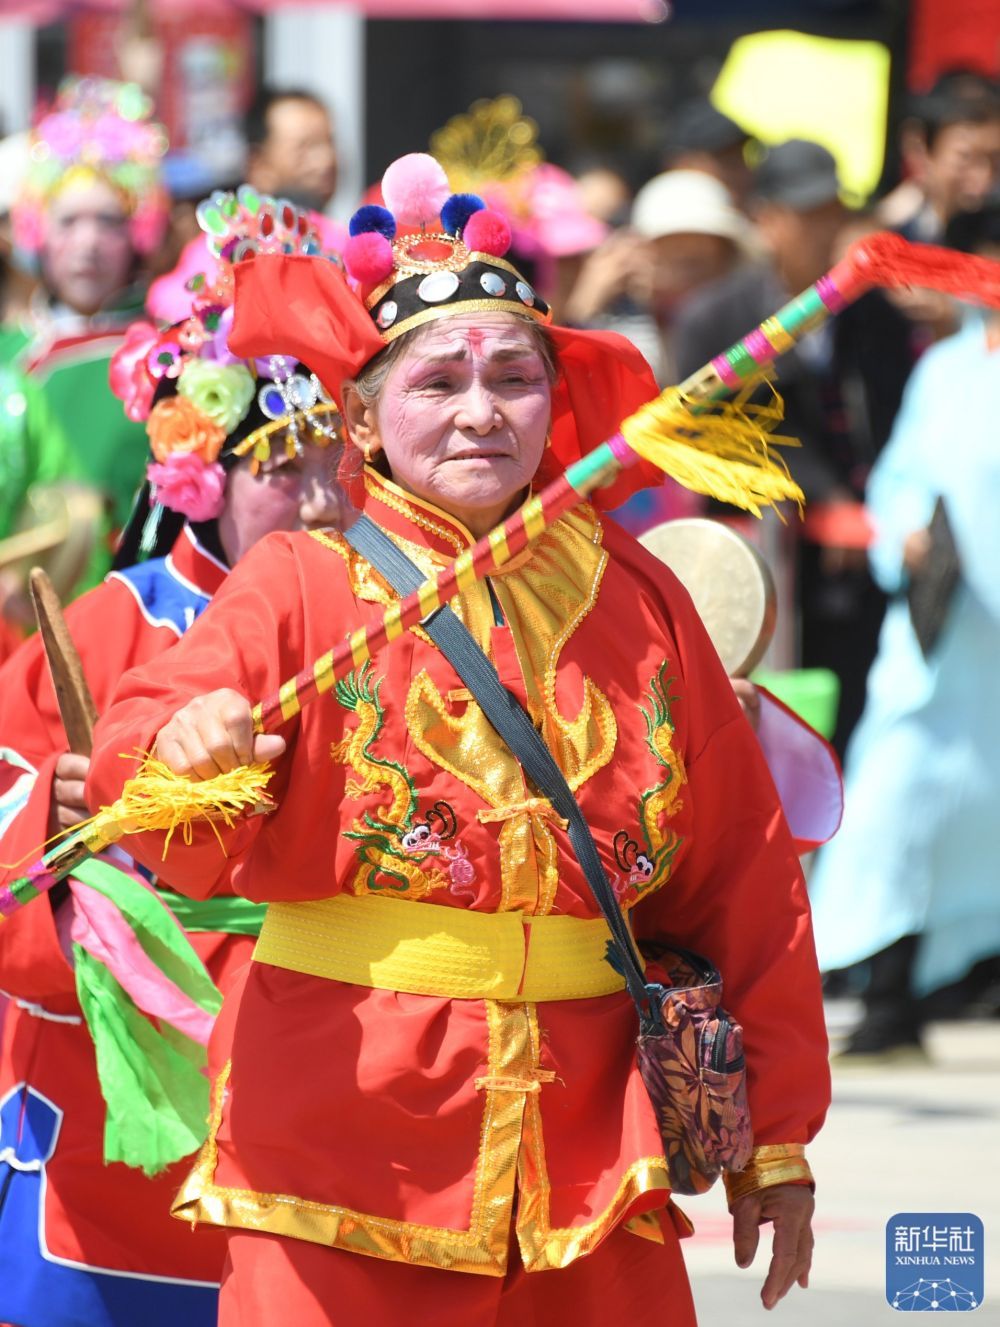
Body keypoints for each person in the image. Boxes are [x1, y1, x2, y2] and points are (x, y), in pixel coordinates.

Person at [87, 153, 829, 1325]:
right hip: (341, 1127)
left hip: (592, 1139)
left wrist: (774, 1138)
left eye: (512, 376)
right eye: (437, 381)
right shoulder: (296, 583)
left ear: (555, 398)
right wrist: (183, 740)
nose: (481, 409)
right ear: (364, 420)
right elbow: (140, 726)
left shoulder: (640, 599)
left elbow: (743, 869)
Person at [0, 189, 347, 1327]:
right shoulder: (106, 628)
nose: (316, 496)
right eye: (280, 469)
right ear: (201, 478)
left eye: (330, 462)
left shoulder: (376, 625)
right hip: (112, 1092)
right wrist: (72, 859)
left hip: (318, 1079)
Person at [809, 199, 1000, 1060]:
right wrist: (907, 523)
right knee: (891, 800)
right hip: (936, 630)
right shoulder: (945, 368)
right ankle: (889, 997)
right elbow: (900, 476)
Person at [672, 140, 915, 755]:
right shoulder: (716, 317)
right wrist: (813, 497)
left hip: (864, 557)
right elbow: (708, 434)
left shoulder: (876, 314)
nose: (826, 229)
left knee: (856, 715)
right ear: (766, 219)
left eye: (835, 212)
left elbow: (895, 420)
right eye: (810, 214)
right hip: (761, 559)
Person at [2, 77, 170, 592]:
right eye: (69, 220)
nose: (88, 243)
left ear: (140, 233)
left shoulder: (170, 356)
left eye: (109, 222)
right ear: (36, 232)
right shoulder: (9, 353)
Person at [244, 86, 339, 215]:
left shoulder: (350, 232)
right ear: (258, 164)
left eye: (329, 142)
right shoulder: (237, 233)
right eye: (304, 147)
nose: (326, 160)